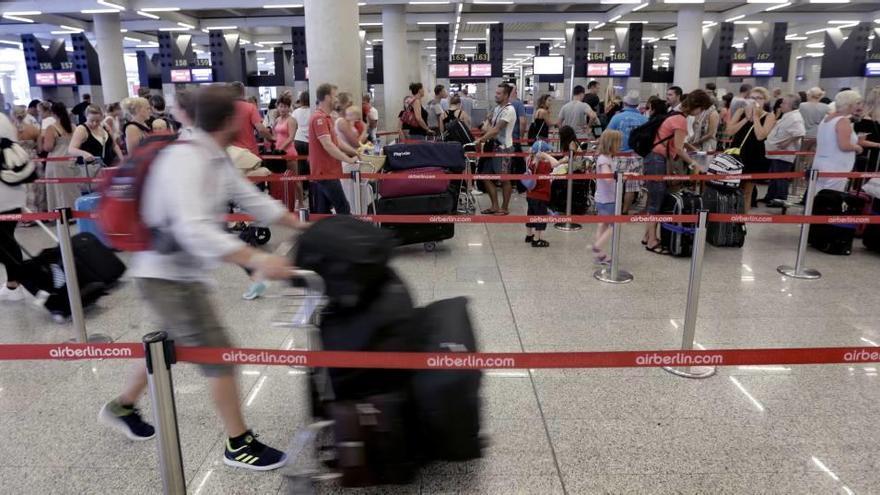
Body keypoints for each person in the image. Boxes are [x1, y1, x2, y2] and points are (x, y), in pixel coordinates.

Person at [99, 85, 305, 471]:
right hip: (166, 276)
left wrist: (299, 226)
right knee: (219, 355)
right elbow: (193, 229)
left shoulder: (212, 155)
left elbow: (250, 199)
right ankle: (238, 443)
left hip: (177, 272)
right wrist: (257, 259)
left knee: (162, 343)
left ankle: (122, 406)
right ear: (231, 120)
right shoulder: (187, 160)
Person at [643, 91, 713, 254]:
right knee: (656, 201)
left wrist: (693, 152)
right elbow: (679, 149)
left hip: (654, 158)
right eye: (702, 109)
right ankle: (651, 241)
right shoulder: (680, 120)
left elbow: (675, 144)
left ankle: (648, 236)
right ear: (697, 107)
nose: (701, 113)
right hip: (658, 161)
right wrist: (694, 163)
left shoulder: (673, 114)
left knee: (656, 198)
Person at [308, 83, 359, 214]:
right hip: (325, 172)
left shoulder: (328, 118)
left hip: (330, 170)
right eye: (335, 96)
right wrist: (348, 159)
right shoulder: (318, 118)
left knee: (324, 211)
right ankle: (347, 234)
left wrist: (354, 152)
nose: (337, 99)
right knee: (343, 208)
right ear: (327, 97)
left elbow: (337, 142)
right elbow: (328, 145)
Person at [724, 86, 777, 212]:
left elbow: (761, 135)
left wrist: (756, 118)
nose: (756, 101)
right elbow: (729, 131)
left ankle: (742, 220)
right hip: (737, 152)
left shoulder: (769, 116)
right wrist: (746, 119)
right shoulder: (740, 112)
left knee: (747, 191)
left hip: (754, 154)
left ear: (765, 100)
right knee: (732, 188)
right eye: (752, 98)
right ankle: (730, 216)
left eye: (759, 98)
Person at [475, 84, 516, 216]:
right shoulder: (497, 108)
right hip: (492, 147)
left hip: (503, 149)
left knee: (504, 179)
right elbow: (490, 128)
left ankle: (504, 208)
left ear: (506, 95)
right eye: (496, 93)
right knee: (485, 176)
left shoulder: (509, 110)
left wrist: (480, 139)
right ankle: (494, 206)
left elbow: (497, 129)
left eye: (499, 93)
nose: (496, 95)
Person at [812, 90, 864, 192]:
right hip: (836, 166)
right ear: (849, 105)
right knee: (831, 198)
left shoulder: (827, 119)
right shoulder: (843, 121)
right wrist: (857, 147)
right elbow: (844, 146)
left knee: (817, 196)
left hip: (820, 163)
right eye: (857, 103)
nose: (859, 107)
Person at [0, 110, 27, 302]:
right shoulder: (2, 118)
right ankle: (14, 283)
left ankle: (15, 283)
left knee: (4, 241)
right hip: (13, 187)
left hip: (3, 193)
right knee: (7, 239)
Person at [606, 90, 648, 213]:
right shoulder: (644, 120)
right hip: (636, 157)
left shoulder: (617, 117)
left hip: (618, 155)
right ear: (637, 104)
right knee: (632, 186)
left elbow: (607, 135)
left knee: (615, 184)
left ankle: (615, 209)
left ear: (625, 103)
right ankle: (625, 211)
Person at [763, 94, 806, 205]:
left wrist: (786, 142)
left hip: (783, 154)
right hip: (776, 153)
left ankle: (780, 199)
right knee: (773, 176)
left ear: (791, 105)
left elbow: (800, 133)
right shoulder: (788, 115)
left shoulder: (795, 118)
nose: (781, 105)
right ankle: (770, 197)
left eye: (784, 103)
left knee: (780, 177)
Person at [592, 129, 623, 265]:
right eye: (618, 143)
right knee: (614, 225)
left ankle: (600, 254)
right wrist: (621, 177)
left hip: (604, 197)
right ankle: (597, 247)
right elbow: (608, 178)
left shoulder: (606, 157)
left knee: (603, 225)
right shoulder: (605, 159)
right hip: (607, 199)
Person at [42, 101, 80, 212]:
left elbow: (48, 147)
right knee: (72, 189)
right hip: (71, 160)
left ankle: (62, 214)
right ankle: (75, 211)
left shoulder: (52, 128)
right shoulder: (73, 127)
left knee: (58, 190)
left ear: (53, 113)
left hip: (56, 162)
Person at [524, 141, 554, 248]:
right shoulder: (544, 165)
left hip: (530, 195)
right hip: (541, 196)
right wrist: (546, 156)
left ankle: (528, 235)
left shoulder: (529, 161)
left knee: (531, 215)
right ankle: (537, 239)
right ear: (542, 153)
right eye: (548, 152)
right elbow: (555, 164)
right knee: (540, 218)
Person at [230, 82, 273, 156]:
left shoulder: (225, 109)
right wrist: (271, 138)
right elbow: (261, 129)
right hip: (249, 152)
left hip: (232, 153)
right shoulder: (250, 107)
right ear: (243, 92)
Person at [853, 86, 880, 180]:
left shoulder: (874, 119)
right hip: (868, 157)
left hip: (875, 157)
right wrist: (877, 145)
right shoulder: (866, 119)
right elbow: (860, 141)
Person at [291, 91, 311, 204]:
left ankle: (302, 190)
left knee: (299, 166)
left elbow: (294, 126)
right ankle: (309, 188)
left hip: (298, 140)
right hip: (309, 142)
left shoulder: (295, 112)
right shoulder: (313, 111)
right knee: (309, 165)